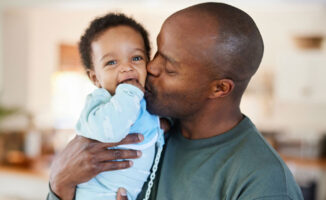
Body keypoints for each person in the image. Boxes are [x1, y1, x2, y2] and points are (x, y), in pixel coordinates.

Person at [48, 2, 304, 200]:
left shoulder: (262, 182)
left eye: (170, 67)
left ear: (219, 88)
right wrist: (60, 184)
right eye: (156, 53)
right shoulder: (143, 127)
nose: (150, 68)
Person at [71, 13, 165, 200]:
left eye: (136, 58)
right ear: (95, 78)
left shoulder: (145, 101)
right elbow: (112, 131)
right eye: (111, 62)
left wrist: (161, 128)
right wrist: (129, 92)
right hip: (97, 194)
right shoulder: (100, 102)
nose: (126, 67)